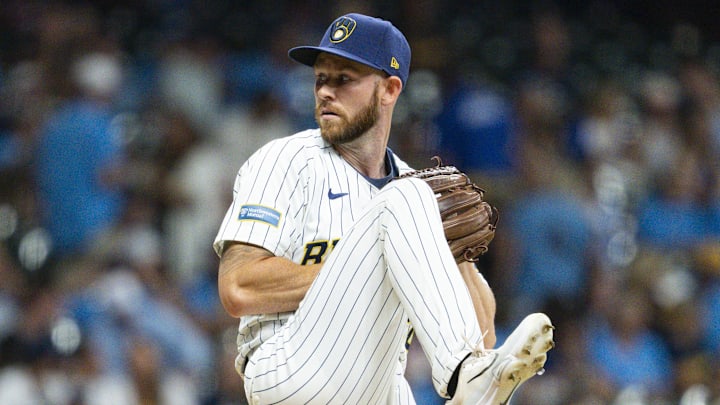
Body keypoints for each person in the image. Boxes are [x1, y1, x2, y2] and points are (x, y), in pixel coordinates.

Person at [214, 13, 554, 404]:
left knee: (412, 196)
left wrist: (450, 255)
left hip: (375, 385)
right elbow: (238, 288)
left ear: (389, 90)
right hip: (289, 368)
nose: (325, 91)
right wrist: (374, 267)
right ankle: (461, 375)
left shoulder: (416, 194)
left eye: (344, 79)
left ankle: (465, 375)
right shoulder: (286, 160)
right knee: (405, 197)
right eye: (320, 78)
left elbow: (483, 335)